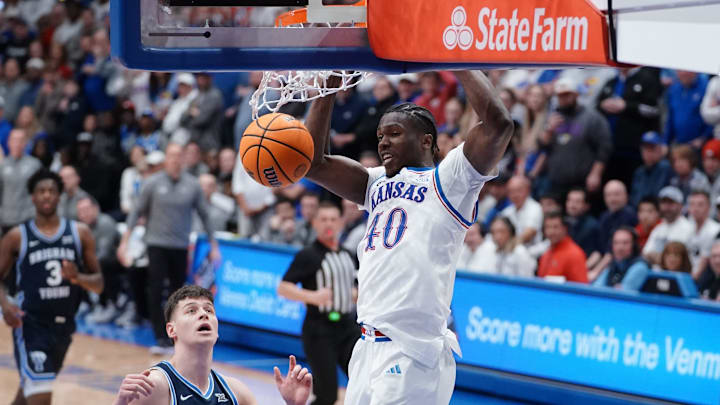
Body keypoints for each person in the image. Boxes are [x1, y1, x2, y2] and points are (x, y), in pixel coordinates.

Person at [303, 70, 513, 404]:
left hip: (413, 351)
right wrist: (330, 85)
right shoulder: (374, 184)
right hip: (367, 346)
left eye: (394, 133)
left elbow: (498, 125)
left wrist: (457, 59)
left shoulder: (450, 180)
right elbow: (311, 163)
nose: (383, 142)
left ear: (426, 141)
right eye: (379, 136)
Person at [0, 169, 103, 405]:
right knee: (40, 396)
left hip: (64, 327)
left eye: (52, 191)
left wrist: (78, 277)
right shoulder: (17, 236)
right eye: (41, 191)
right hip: (29, 324)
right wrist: (5, 304)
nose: (46, 196)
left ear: (60, 196)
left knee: (30, 393)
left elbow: (98, 284)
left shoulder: (80, 233)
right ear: (33, 197)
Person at [112, 285, 312, 405]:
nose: (203, 314)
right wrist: (120, 403)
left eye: (209, 310)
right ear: (171, 330)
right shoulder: (155, 385)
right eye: (191, 310)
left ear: (217, 330)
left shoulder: (235, 392)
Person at [117, 142, 221, 355]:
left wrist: (214, 244)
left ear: (183, 160)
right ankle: (159, 336)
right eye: (171, 156)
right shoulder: (153, 183)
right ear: (166, 160)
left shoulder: (192, 185)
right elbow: (136, 211)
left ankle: (176, 337)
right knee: (155, 289)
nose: (174, 160)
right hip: (156, 244)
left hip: (180, 246)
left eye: (178, 156)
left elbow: (205, 215)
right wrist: (125, 240)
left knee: (179, 293)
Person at [277, 201, 360, 405]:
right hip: (319, 330)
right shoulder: (308, 255)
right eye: (323, 219)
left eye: (333, 219)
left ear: (341, 223)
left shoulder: (348, 254)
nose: (328, 224)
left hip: (349, 327)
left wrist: (355, 293)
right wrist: (313, 297)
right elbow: (283, 288)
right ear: (314, 223)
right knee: (327, 395)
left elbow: (356, 283)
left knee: (365, 381)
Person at [0, 129, 42, 234]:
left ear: (26, 143)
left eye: (21, 140)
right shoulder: (2, 166)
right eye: (14, 140)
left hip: (29, 218)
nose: (17, 144)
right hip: (6, 219)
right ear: (8, 142)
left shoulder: (35, 165)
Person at [642, 186, 693, 266]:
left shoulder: (688, 228)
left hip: (676, 276)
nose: (666, 207)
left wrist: (657, 257)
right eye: (663, 202)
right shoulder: (658, 228)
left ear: (680, 205)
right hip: (656, 274)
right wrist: (663, 258)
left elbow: (676, 261)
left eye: (671, 203)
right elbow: (645, 253)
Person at [537, 211, 589, 283]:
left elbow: (582, 288)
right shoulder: (546, 252)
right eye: (547, 227)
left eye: (555, 227)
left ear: (565, 229)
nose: (551, 232)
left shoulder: (574, 255)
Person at [629, 131, 672, 207]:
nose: (648, 152)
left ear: (660, 149)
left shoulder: (666, 168)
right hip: (640, 212)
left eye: (652, 148)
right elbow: (634, 198)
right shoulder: (639, 172)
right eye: (645, 148)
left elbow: (658, 196)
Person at [500, 175, 543, 246]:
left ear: (528, 190)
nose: (515, 195)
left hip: (531, 252)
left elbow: (529, 233)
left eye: (519, 190)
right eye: (511, 191)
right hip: (509, 251)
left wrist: (509, 245)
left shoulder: (535, 207)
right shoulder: (506, 212)